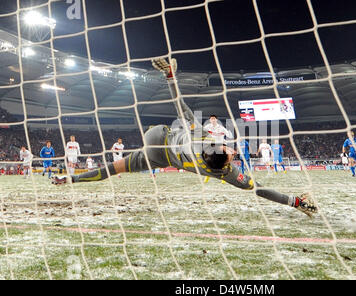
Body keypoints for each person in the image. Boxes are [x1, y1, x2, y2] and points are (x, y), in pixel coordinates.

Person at [52, 58, 317, 217]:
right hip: (158, 156)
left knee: (113, 168)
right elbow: (260, 189)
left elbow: (181, 106)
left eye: (228, 151)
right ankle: (71, 179)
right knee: (112, 169)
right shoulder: (225, 173)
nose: (232, 151)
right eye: (230, 151)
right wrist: (294, 201)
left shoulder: (202, 141)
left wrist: (170, 77)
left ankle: (71, 178)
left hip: (158, 140)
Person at [203, 115, 233, 183]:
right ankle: (207, 177)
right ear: (210, 120)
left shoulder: (221, 128)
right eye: (211, 119)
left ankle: (224, 178)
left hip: (221, 145)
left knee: (223, 162)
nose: (213, 120)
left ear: (216, 120)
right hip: (212, 146)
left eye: (214, 119)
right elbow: (201, 131)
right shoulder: (207, 127)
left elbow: (230, 136)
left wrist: (229, 131)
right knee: (209, 162)